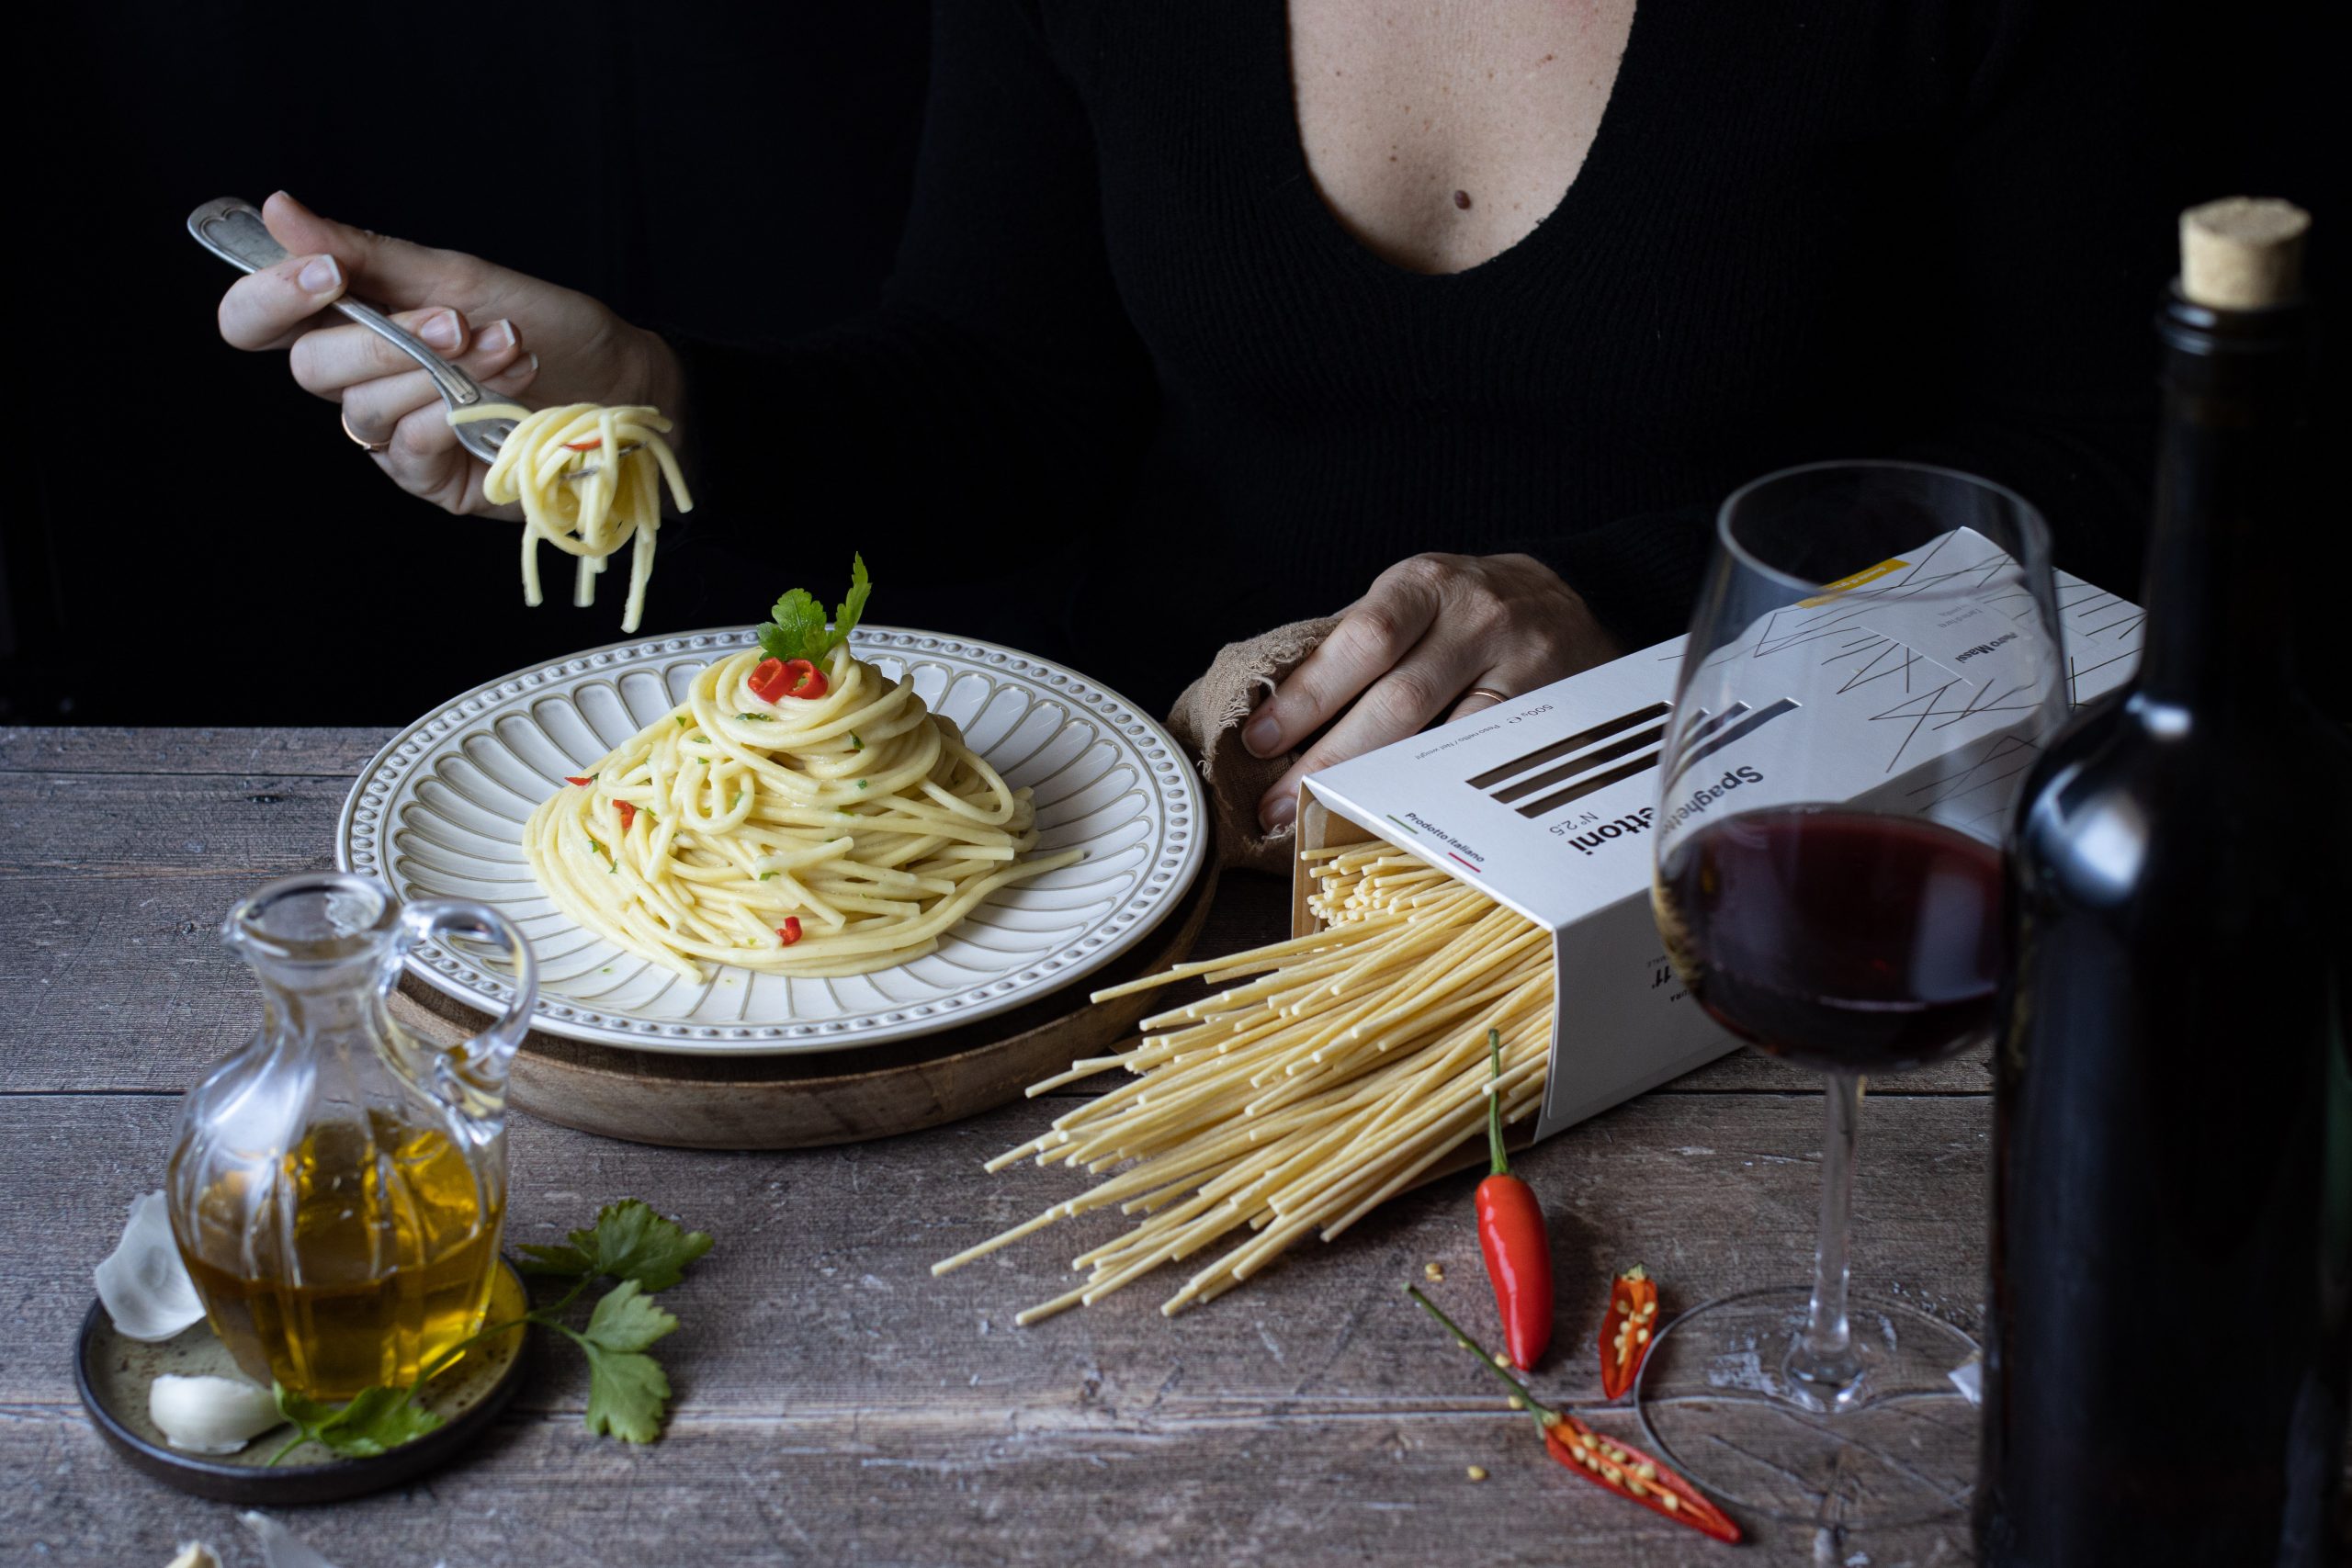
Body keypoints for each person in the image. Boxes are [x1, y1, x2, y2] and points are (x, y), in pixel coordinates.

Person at [213, 1, 2159, 837]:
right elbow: (1000, 407)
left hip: (1742, 920)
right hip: (1186, 893)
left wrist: (1628, 613)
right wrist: (653, 398)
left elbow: (2092, 491)